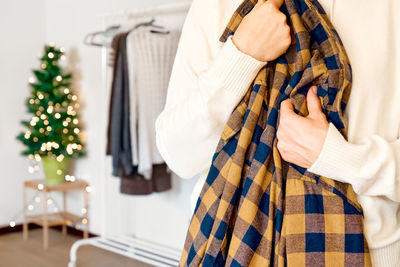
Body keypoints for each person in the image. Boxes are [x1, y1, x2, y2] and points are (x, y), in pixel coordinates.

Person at [155, 0, 400, 265]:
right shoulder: (217, 5)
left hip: (368, 253)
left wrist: (340, 157)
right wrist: (241, 57)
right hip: (229, 245)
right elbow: (178, 153)